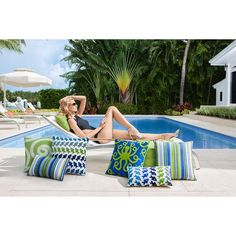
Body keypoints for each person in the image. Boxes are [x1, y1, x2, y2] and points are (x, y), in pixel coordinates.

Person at [59, 95, 179, 144]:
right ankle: (131, 127)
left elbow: (84, 99)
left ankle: (164, 136)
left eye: (75, 103)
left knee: (135, 136)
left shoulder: (77, 116)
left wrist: (71, 97)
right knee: (111, 108)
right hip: (99, 138)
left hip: (100, 133)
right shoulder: (71, 120)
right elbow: (83, 138)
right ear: (67, 107)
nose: (76, 104)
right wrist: (100, 127)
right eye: (73, 104)